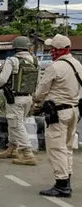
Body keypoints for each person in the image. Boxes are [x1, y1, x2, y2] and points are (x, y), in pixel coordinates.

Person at [33, 34, 81, 198]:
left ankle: (61, 185)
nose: (51, 51)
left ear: (59, 50)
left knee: (56, 148)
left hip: (58, 113)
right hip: (74, 110)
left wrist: (37, 103)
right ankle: (66, 179)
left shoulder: (54, 67)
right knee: (67, 147)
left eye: (53, 49)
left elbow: (41, 91)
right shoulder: (77, 65)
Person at [0, 36, 37, 165]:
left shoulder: (12, 60)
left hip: (15, 98)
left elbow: (3, 79)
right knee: (15, 123)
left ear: (15, 48)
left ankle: (28, 154)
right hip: (28, 98)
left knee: (16, 125)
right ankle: (12, 148)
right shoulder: (34, 60)